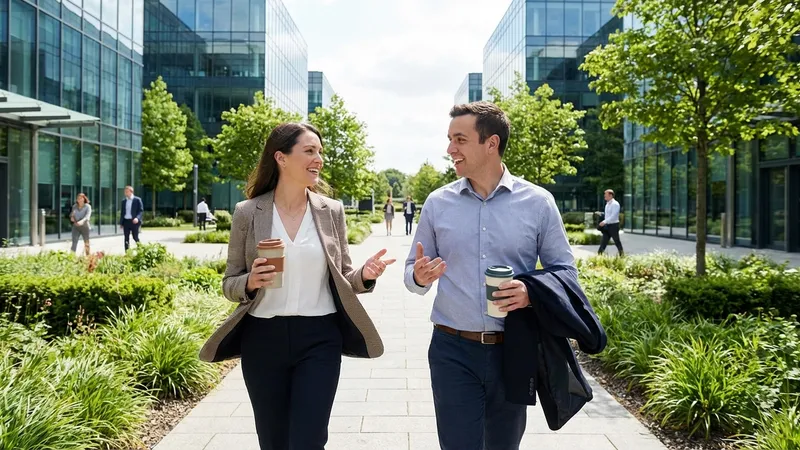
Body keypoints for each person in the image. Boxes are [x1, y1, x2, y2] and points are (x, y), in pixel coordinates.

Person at [198, 122, 395, 450]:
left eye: (319, 151)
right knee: (273, 440)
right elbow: (229, 282)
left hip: (320, 339)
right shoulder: (248, 212)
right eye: (309, 151)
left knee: (309, 439)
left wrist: (366, 274)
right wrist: (250, 281)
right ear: (281, 157)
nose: (318, 158)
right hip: (262, 340)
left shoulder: (331, 211)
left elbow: (344, 276)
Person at [404, 101, 576, 450]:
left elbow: (565, 272)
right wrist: (420, 276)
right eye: (450, 139)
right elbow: (410, 273)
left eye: (460, 140)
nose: (450, 149)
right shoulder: (438, 203)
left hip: (514, 348)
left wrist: (531, 292)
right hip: (452, 349)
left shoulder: (538, 203)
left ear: (491, 143)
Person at [598, 189, 624, 257]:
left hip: (614, 226)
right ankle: (599, 256)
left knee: (617, 241)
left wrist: (604, 222)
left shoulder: (615, 204)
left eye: (606, 194)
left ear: (610, 195)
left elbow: (613, 216)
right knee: (603, 242)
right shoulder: (607, 204)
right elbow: (608, 215)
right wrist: (601, 215)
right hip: (607, 226)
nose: (604, 196)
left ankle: (622, 256)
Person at [119, 186, 143, 251]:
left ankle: (141, 249)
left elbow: (140, 211)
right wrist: (121, 223)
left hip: (134, 221)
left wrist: (137, 218)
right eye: (125, 192)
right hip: (126, 221)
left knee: (135, 237)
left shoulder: (137, 200)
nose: (125, 193)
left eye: (127, 192)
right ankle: (127, 253)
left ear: (131, 192)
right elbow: (122, 212)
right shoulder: (124, 201)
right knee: (126, 238)